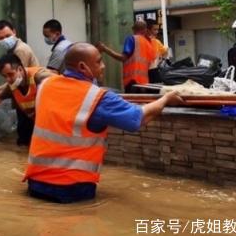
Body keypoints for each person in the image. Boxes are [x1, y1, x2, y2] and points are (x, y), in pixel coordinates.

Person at [24, 42, 184, 203]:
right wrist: (165, 99)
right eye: (98, 61)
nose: (103, 66)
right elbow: (138, 118)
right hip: (71, 189)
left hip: (35, 184)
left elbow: (38, 75)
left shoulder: (46, 86)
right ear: (82, 67)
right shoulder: (98, 98)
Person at [0, 53, 54, 144]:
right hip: (36, 122)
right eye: (5, 76)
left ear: (20, 69)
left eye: (10, 74)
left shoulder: (40, 77)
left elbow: (62, 83)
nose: (8, 80)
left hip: (53, 124)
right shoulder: (12, 86)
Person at [95, 19, 156, 93]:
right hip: (144, 83)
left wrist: (104, 49)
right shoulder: (149, 44)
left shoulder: (132, 39)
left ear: (133, 29)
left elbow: (123, 58)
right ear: (145, 30)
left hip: (132, 82)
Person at [146, 19, 168, 83]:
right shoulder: (142, 41)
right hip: (145, 72)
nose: (157, 32)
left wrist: (161, 60)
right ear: (147, 30)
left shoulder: (156, 42)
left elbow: (165, 52)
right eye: (154, 29)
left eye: (157, 29)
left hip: (154, 71)